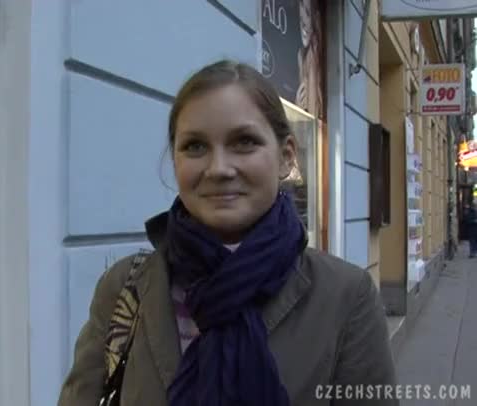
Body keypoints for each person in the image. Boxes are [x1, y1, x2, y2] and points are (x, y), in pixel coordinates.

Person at [58, 60, 397, 405]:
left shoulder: (346, 297)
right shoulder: (124, 288)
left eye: (244, 142)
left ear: (286, 157)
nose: (218, 169)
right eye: (195, 146)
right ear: (175, 160)